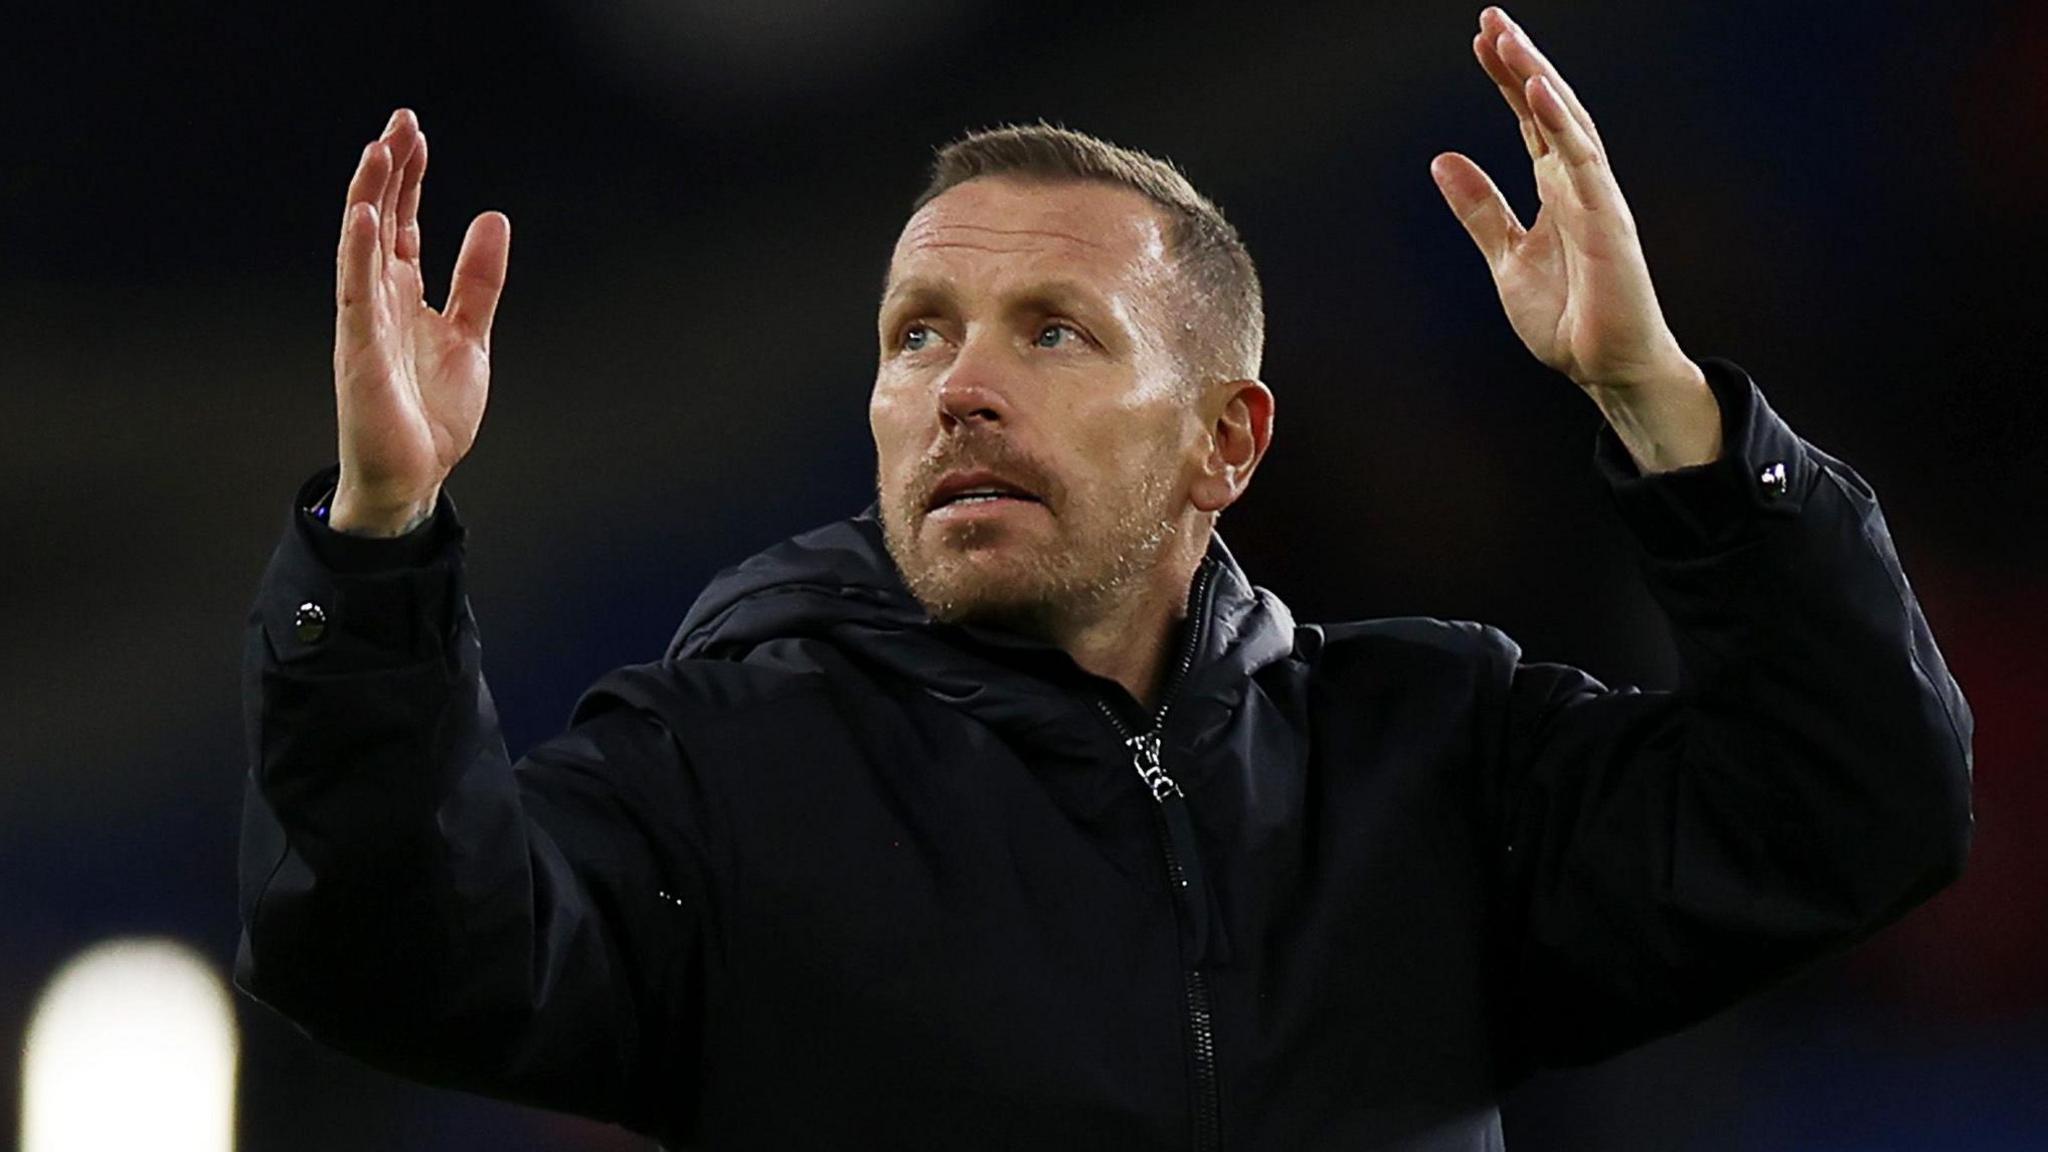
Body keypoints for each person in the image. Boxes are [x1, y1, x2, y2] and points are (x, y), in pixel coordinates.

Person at [235, 8, 1972, 1150]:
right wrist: (380, 537)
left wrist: (1662, 404)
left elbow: (1856, 808)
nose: (961, 385)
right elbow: (396, 951)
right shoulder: (726, 772)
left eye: (1051, 331)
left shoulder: (1433, 759)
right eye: (919, 336)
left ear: (1227, 442)